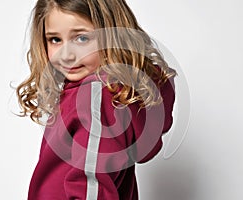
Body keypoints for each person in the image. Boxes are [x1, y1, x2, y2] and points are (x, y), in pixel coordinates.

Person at [16, 0, 176, 199]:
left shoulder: (95, 98)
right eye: (55, 39)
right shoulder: (96, 93)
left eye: (82, 38)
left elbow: (91, 184)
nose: (66, 55)